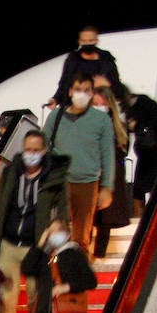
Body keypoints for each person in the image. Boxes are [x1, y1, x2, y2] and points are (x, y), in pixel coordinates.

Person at [0, 129, 70, 313]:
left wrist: (60, 230)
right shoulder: (11, 172)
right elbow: (1, 206)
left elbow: (64, 212)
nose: (30, 155)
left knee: (36, 301)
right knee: (6, 301)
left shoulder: (54, 178)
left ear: (43, 151)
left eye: (35, 150)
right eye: (27, 150)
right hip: (9, 244)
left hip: (37, 248)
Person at [43, 72, 116, 254]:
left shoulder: (101, 120)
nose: (81, 94)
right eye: (77, 89)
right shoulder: (55, 117)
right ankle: (56, 276)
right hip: (60, 182)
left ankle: (78, 276)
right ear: (69, 91)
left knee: (82, 236)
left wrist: (106, 187)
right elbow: (43, 145)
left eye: (86, 90)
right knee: (58, 232)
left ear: (92, 93)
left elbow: (108, 153)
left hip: (87, 183)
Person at [91, 77, 134, 259]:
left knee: (103, 220)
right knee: (99, 220)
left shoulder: (113, 123)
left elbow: (121, 149)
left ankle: (97, 254)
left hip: (106, 175)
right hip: (99, 173)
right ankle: (95, 254)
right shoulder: (117, 123)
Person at [124, 84, 157, 218]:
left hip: (154, 153)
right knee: (148, 189)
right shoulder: (146, 103)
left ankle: (145, 221)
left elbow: (152, 129)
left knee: (143, 190)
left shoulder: (142, 106)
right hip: (153, 153)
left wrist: (136, 126)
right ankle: (149, 220)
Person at [47, 24, 121, 108]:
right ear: (80, 41)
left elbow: (117, 84)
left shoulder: (106, 59)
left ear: (96, 41)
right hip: (75, 107)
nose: (88, 44)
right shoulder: (73, 60)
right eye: (84, 41)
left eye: (91, 40)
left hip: (101, 106)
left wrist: (106, 83)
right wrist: (56, 99)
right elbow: (64, 83)